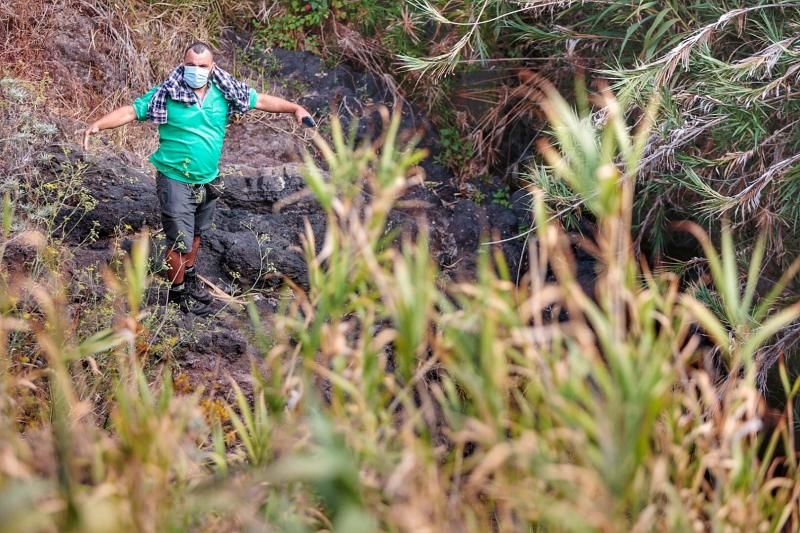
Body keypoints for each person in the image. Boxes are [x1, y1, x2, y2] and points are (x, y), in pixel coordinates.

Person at [83, 41, 312, 316]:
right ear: (183, 64)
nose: (196, 70)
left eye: (202, 66)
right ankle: (178, 295)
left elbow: (262, 100)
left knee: (195, 236)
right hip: (174, 178)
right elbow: (132, 111)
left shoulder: (225, 92)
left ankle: (188, 279)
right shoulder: (167, 93)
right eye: (191, 65)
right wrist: (98, 124)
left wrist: (295, 108)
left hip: (208, 179)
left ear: (211, 67)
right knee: (179, 242)